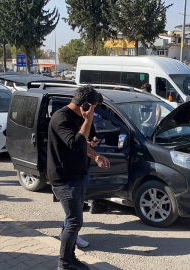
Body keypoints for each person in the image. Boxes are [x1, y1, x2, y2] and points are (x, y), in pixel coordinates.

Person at [48, 85, 110, 270]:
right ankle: (64, 264)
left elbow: (84, 142)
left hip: (79, 173)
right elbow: (75, 144)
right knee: (74, 221)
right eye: (94, 107)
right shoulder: (61, 118)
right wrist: (88, 120)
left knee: (75, 221)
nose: (95, 111)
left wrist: (95, 152)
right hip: (65, 177)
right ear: (86, 105)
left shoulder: (80, 117)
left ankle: (71, 258)